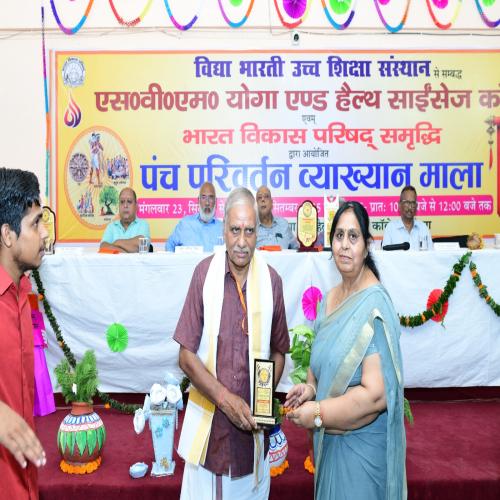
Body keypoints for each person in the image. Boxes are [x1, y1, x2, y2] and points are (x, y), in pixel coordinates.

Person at [285, 200, 406, 500]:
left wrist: (318, 413)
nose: (345, 245)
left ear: (366, 245)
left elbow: (375, 396)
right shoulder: (329, 300)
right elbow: (320, 369)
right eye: (339, 236)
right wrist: (310, 390)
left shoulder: (375, 306)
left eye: (354, 236)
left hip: (361, 455)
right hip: (329, 446)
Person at [174, 187, 290, 499]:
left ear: (258, 234)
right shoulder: (204, 275)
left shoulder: (272, 282)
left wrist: (263, 398)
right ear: (224, 229)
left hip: (253, 440)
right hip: (210, 438)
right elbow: (185, 356)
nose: (241, 241)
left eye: (249, 231)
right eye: (235, 230)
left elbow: (279, 350)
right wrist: (226, 400)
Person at [0, 167, 48, 499]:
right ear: (8, 235)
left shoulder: (22, 294)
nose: (44, 233)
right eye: (35, 223)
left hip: (23, 480)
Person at [165, 182, 223, 252]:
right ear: (198, 200)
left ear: (215, 201)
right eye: (203, 197)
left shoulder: (222, 228)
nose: (207, 203)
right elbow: (169, 245)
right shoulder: (185, 224)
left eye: (211, 198)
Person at [100, 187, 150, 253]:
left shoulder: (143, 224)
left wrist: (117, 242)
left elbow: (140, 246)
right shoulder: (111, 226)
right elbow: (103, 247)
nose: (125, 205)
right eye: (122, 202)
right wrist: (123, 252)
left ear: (136, 206)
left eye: (129, 201)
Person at [382, 185, 433, 250]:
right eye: (407, 202)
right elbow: (385, 254)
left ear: (416, 206)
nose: (410, 207)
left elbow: (431, 254)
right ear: (399, 205)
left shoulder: (423, 228)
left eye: (413, 203)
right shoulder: (391, 228)